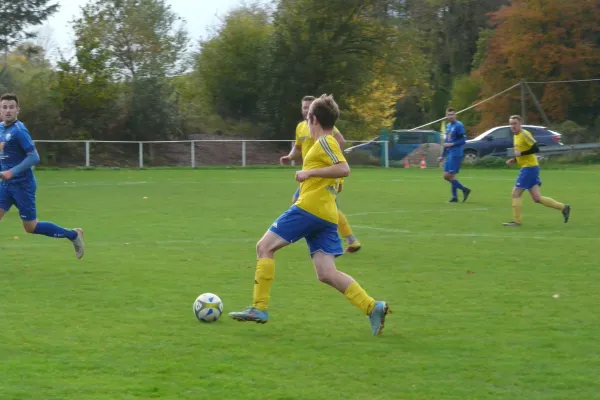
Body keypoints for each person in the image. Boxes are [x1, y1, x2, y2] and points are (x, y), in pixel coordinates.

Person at [229, 94, 389, 336]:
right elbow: (337, 174)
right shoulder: (322, 144)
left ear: (313, 118)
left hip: (309, 209)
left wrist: (309, 174)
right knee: (326, 273)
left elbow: (344, 168)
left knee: (264, 247)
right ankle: (372, 306)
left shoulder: (325, 141)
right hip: (326, 216)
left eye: (308, 114)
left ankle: (259, 308)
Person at [0, 93, 85, 258]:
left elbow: (34, 157)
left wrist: (11, 172)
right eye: (4, 107)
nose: (8, 110)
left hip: (22, 186)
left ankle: (73, 235)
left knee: (31, 227)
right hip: (5, 185)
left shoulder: (19, 131)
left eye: (11, 107)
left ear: (18, 110)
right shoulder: (0, 128)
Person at [280, 95, 361, 253]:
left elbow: (339, 146)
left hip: (320, 177)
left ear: (314, 114)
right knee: (327, 272)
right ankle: (345, 239)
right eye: (303, 107)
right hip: (310, 176)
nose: (305, 110)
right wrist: (290, 157)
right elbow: (297, 147)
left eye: (308, 107)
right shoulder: (300, 128)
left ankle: (349, 238)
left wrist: (327, 164)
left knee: (323, 208)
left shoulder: (325, 134)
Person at [503, 115, 570, 227]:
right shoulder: (516, 136)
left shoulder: (524, 134)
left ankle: (517, 221)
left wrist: (521, 154)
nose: (512, 126)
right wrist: (514, 159)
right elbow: (522, 152)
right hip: (529, 167)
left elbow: (536, 148)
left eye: (515, 123)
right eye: (511, 124)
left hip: (529, 168)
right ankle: (564, 208)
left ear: (520, 123)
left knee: (515, 193)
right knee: (537, 198)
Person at [437, 108, 471, 202]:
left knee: (449, 176)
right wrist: (442, 155)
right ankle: (455, 197)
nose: (451, 116)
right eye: (449, 114)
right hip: (449, 154)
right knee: (447, 176)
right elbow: (446, 142)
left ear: (455, 115)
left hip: (456, 153)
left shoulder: (459, 125)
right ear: (446, 116)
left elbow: (463, 140)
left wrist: (452, 144)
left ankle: (465, 190)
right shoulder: (448, 126)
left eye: (452, 114)